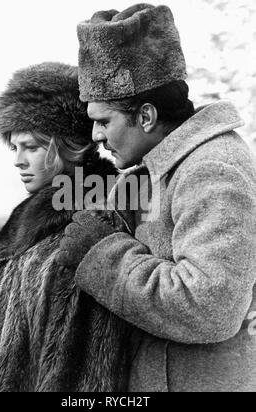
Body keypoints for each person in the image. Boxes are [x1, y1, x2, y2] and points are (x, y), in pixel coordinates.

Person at [59, 4, 256, 392]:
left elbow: (209, 308)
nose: (97, 136)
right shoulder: (161, 167)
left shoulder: (212, 169)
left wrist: (104, 254)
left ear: (146, 117)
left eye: (103, 121)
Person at [0, 62, 135, 392]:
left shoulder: (87, 227)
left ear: (68, 146)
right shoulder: (40, 224)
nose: (18, 160)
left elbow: (84, 373)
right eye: (15, 147)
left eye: (32, 147)